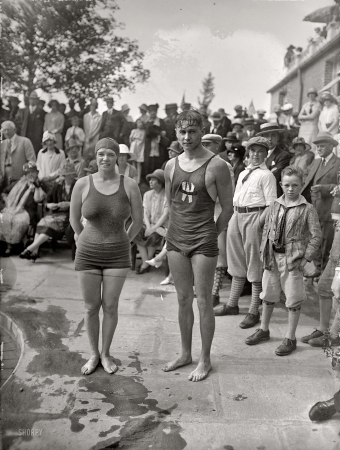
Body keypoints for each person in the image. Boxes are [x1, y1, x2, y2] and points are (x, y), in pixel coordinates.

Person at [163, 110, 233, 382]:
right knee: (182, 299)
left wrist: (211, 234)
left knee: (203, 301)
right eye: (181, 132)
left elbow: (227, 209)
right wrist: (172, 231)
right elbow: (172, 204)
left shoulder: (217, 166)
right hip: (176, 238)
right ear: (176, 133)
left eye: (192, 132)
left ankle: (205, 359)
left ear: (202, 131)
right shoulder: (171, 165)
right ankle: (184, 354)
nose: (186, 137)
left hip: (203, 239)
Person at [70, 138, 143, 375]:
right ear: (95, 156)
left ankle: (106, 353)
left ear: (118, 157)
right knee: (91, 307)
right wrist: (82, 239)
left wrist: (124, 241)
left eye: (110, 154)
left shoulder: (129, 184)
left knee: (110, 306)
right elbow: (73, 219)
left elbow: (138, 221)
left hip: (117, 254)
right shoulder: (82, 184)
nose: (105, 158)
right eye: (100, 154)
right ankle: (93, 355)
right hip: (87, 253)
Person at [245, 166, 321, 355]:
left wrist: (305, 258)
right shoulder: (274, 205)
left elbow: (316, 237)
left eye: (295, 185)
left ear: (302, 185)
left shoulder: (307, 209)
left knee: (293, 299)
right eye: (286, 185)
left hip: (292, 261)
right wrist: (264, 250)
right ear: (281, 185)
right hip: (272, 258)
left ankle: (290, 338)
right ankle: (263, 329)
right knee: (268, 295)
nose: (290, 189)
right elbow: (264, 227)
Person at [214, 136, 277, 329]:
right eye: (253, 151)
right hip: (237, 215)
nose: (256, 155)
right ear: (248, 153)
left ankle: (253, 311)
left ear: (266, 154)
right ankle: (232, 304)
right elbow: (236, 197)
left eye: (260, 152)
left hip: (254, 216)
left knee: (254, 263)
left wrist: (258, 222)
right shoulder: (243, 173)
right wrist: (233, 217)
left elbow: (272, 204)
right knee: (236, 261)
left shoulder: (267, 175)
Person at [20, 161, 78, 261]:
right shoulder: (58, 185)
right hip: (56, 214)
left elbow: (82, 202)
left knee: (48, 224)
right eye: (65, 175)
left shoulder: (78, 185)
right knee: (42, 223)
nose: (68, 177)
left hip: (69, 216)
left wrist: (69, 204)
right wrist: (49, 205)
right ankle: (33, 251)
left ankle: (31, 249)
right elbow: (47, 199)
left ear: (73, 175)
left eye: (70, 175)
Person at [301, 132, 340, 277]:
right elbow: (305, 177)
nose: (319, 148)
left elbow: (339, 186)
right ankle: (318, 268)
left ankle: (324, 272)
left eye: (322, 146)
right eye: (317, 146)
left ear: (331, 146)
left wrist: (325, 189)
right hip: (313, 206)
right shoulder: (316, 162)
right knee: (314, 238)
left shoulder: (338, 163)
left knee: (327, 240)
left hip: (330, 208)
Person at [0, 162, 46, 256]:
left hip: (28, 210)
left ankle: (16, 245)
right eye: (28, 172)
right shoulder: (18, 182)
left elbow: (39, 199)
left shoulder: (40, 184)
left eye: (33, 172)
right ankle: (8, 246)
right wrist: (8, 201)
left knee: (19, 221)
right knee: (4, 218)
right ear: (25, 174)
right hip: (13, 208)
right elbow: (4, 192)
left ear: (37, 173)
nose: (30, 174)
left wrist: (36, 186)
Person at [133, 169, 169, 274]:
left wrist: (154, 228)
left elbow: (165, 214)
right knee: (136, 232)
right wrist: (148, 227)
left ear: (160, 182)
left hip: (162, 225)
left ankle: (146, 263)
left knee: (154, 236)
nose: (150, 182)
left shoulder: (167, 195)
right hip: (149, 224)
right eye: (150, 180)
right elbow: (145, 213)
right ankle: (146, 262)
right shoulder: (147, 194)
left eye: (153, 180)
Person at [256, 122, 291, 197]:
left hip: (273, 196)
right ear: (262, 138)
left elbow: (273, 176)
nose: (270, 139)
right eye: (266, 136)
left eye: (273, 135)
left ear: (278, 137)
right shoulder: (256, 154)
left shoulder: (283, 155)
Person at [0, 121, 36, 190]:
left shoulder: (25, 141)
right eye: (4, 130)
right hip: (4, 181)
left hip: (20, 180)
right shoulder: (2, 145)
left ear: (14, 130)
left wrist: (28, 177)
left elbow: (32, 161)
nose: (6, 132)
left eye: (9, 130)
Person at [143, 104, 169, 177]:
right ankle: (150, 178)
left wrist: (158, 132)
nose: (152, 113)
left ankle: (159, 177)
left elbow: (164, 132)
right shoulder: (148, 122)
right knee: (149, 161)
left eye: (154, 111)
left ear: (156, 112)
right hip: (149, 143)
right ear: (149, 112)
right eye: (151, 111)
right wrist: (158, 132)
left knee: (159, 160)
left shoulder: (160, 121)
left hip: (159, 143)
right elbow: (148, 133)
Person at [83, 99, 102, 164]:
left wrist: (92, 136)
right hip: (87, 138)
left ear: (96, 107)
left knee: (94, 154)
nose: (92, 107)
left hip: (95, 138)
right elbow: (85, 127)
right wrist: (88, 136)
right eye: (91, 105)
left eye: (94, 105)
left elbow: (98, 128)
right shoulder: (85, 116)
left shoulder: (99, 117)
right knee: (86, 155)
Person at [130, 118, 146, 183]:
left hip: (141, 147)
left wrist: (138, 143)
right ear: (136, 123)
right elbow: (130, 139)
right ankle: (134, 178)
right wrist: (133, 144)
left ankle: (138, 180)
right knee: (133, 162)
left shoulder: (144, 131)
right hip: (134, 146)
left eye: (141, 123)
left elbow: (143, 139)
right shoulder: (133, 130)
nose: (140, 124)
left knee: (139, 163)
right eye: (138, 122)